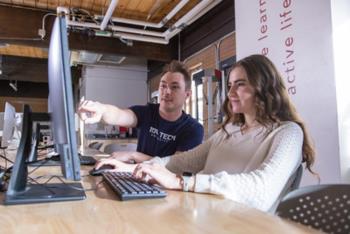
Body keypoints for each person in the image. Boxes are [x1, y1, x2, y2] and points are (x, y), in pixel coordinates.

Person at [96, 54, 316, 212]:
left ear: (265, 87)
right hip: (205, 215)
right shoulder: (229, 131)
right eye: (229, 85)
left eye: (239, 84)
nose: (229, 93)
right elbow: (182, 161)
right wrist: (134, 169)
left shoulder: (288, 133)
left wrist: (182, 183)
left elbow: (261, 189)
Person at [79, 60, 204, 163]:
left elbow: (175, 166)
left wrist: (134, 156)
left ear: (187, 94)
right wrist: (102, 109)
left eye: (175, 87)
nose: (167, 92)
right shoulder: (147, 112)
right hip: (136, 177)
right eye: (163, 86)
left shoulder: (193, 129)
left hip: (168, 188)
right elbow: (119, 115)